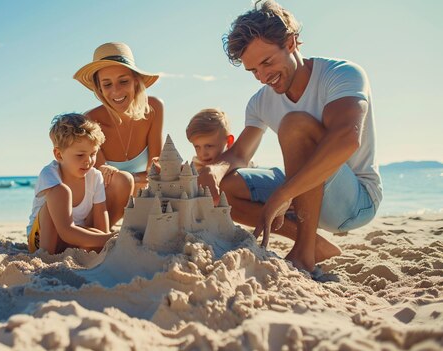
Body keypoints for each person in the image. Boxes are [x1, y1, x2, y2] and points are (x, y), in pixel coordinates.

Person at [199, 0, 383, 272]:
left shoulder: (341, 74)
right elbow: (238, 155)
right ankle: (312, 242)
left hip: (354, 201)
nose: (262, 77)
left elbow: (346, 138)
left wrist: (284, 193)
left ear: (290, 43)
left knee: (295, 125)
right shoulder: (260, 101)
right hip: (304, 192)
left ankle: (303, 255)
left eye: (266, 62)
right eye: (253, 71)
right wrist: (211, 173)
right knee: (226, 188)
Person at [74, 42, 164, 225]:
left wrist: (132, 179)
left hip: (133, 203)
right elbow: (102, 179)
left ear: (136, 81)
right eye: (107, 84)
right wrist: (137, 179)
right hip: (95, 209)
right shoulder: (89, 122)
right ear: (99, 89)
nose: (116, 91)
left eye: (123, 81)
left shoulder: (154, 108)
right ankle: (98, 235)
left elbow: (158, 170)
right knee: (119, 181)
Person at [27, 113, 115, 254]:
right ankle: (45, 257)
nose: (89, 161)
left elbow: (101, 229)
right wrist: (110, 238)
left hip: (73, 238)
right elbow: (66, 231)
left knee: (95, 237)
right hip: (41, 240)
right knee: (61, 191)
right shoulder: (49, 174)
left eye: (93, 154)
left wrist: (105, 238)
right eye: (80, 155)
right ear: (59, 155)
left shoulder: (95, 177)